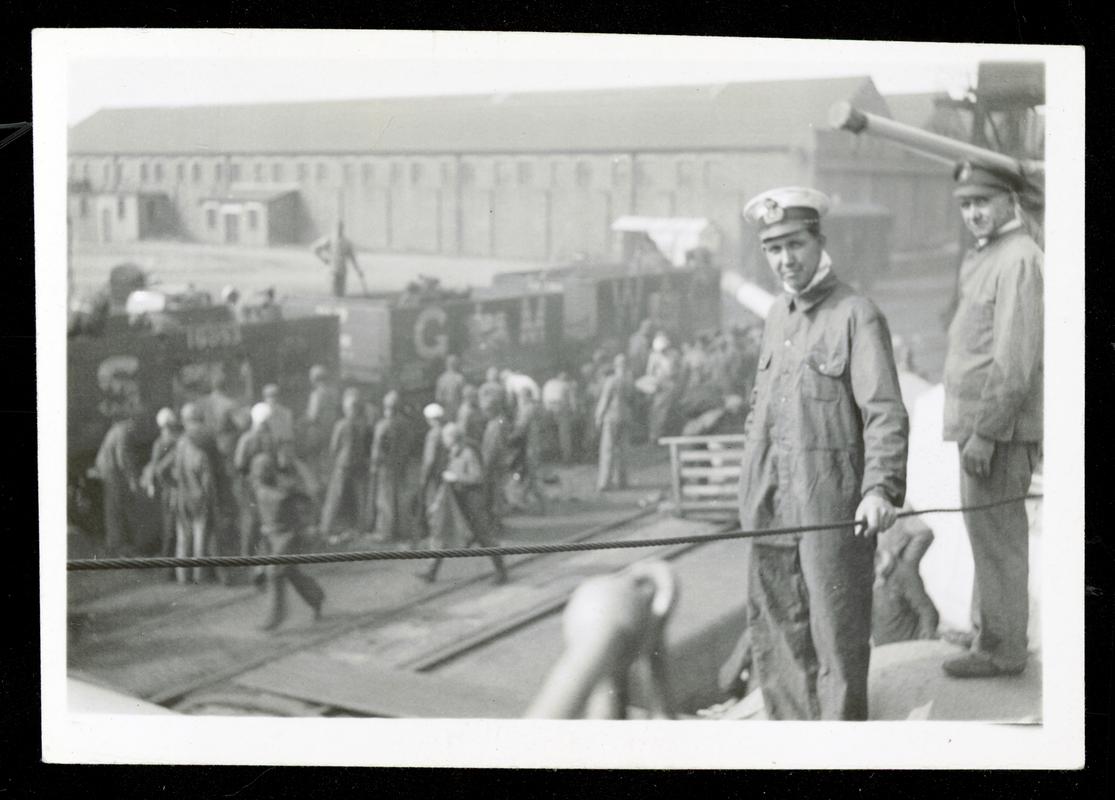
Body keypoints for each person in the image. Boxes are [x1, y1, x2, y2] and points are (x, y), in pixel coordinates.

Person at [737, 186, 908, 720]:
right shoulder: (775, 317)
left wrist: (880, 488)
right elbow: (760, 412)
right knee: (776, 622)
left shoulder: (857, 315)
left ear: (819, 242)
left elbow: (885, 412)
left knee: (836, 628)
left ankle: (839, 745)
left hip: (828, 501)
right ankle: (792, 740)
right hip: (769, 501)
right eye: (773, 249)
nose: (785, 260)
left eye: (795, 244)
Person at [940, 161, 1043, 680]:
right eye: (966, 204)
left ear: (1011, 201)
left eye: (983, 201)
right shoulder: (988, 256)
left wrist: (985, 432)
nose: (974, 213)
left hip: (997, 434)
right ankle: (990, 638)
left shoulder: (1019, 258)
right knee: (987, 537)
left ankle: (1002, 651)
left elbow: (1014, 358)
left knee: (999, 540)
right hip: (980, 431)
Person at [421, 423, 509, 585]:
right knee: (445, 534)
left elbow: (478, 477)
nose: (443, 441)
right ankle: (431, 572)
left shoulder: (467, 453)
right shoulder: (453, 453)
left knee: (484, 537)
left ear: (452, 438)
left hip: (472, 502)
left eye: (445, 438)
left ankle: (501, 571)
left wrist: (456, 477)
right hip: (458, 501)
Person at [251, 452, 326, 632]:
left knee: (275, 574)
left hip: (288, 537)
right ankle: (316, 598)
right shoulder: (260, 487)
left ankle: (275, 617)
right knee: (292, 573)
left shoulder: (284, 490)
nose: (259, 475)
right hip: (272, 537)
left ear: (270, 471)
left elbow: (304, 501)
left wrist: (306, 527)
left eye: (262, 471)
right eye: (257, 471)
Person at [173, 403, 230, 585]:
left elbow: (170, 468)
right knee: (201, 534)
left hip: (182, 494)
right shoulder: (206, 436)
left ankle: (182, 575)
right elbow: (215, 468)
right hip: (201, 494)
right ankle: (199, 575)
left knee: (183, 536)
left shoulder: (181, 441)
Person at [872, 518, 939, 646]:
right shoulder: (863, 577)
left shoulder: (902, 572)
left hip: (908, 647)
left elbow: (928, 611)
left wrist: (925, 640)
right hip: (882, 650)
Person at [233, 402, 279, 582]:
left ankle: (249, 561)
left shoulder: (246, 439)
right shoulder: (272, 439)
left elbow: (239, 464)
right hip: (268, 487)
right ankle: (266, 562)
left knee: (249, 523)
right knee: (266, 523)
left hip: (249, 487)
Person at [319, 388, 372, 545]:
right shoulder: (364, 425)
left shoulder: (340, 425)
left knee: (335, 496)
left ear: (346, 408)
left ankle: (326, 527)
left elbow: (334, 447)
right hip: (359, 462)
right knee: (360, 496)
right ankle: (362, 527)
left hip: (343, 463)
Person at [92, 413, 143, 556]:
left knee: (114, 507)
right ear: (131, 421)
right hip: (111, 472)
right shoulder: (124, 432)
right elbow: (122, 458)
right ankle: (116, 546)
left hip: (107, 470)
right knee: (116, 507)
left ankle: (115, 544)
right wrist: (132, 480)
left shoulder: (118, 429)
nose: (136, 429)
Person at [368, 390, 409, 543]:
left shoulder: (382, 425)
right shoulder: (405, 423)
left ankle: (385, 532)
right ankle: (402, 530)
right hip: (400, 464)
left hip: (385, 466)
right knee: (400, 497)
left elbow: (377, 448)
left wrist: (374, 466)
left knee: (384, 499)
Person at [141, 407, 182, 564]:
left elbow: (156, 468)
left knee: (169, 526)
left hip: (168, 488)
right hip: (175, 488)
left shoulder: (160, 443)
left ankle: (168, 562)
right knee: (175, 526)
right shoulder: (176, 441)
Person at [595, 354, 635, 491]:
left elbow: (605, 400)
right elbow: (631, 398)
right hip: (626, 416)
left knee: (607, 449)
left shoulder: (611, 380)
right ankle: (622, 481)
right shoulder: (629, 379)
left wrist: (598, 416)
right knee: (624, 450)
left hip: (611, 417)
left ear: (615, 365)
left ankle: (604, 482)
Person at [304, 364, 341, 487]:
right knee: (328, 460)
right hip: (331, 430)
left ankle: (316, 488)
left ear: (314, 379)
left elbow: (313, 416)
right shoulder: (334, 393)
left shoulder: (316, 394)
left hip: (317, 431)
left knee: (314, 461)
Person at [480, 396, 511, 536]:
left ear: (490, 410)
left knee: (495, 495)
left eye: (485, 411)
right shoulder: (499, 421)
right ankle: (497, 523)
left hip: (494, 465)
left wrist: (486, 467)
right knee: (496, 494)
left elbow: (493, 449)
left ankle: (496, 525)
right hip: (499, 463)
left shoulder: (496, 425)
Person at [417, 403, 448, 544]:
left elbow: (429, 459)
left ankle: (434, 537)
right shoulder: (445, 431)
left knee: (432, 505)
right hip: (443, 473)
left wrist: (423, 477)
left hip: (433, 476)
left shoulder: (432, 435)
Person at [312, 220, 365, 298]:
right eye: (337, 227)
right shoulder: (329, 239)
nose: (338, 229)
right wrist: (324, 259)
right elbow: (315, 248)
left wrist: (358, 270)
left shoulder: (347, 242)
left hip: (342, 271)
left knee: (341, 295)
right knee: (333, 294)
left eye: (340, 227)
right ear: (334, 228)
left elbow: (352, 258)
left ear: (343, 229)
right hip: (332, 271)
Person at [645, 333, 678, 443]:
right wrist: (652, 386)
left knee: (668, 411)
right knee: (656, 411)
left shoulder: (673, 354)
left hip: (670, 384)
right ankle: (654, 435)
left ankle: (665, 435)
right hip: (659, 386)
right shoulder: (653, 357)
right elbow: (650, 373)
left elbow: (677, 369)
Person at [542, 370, 578, 464]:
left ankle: (552, 456)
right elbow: (572, 400)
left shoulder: (549, 383)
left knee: (551, 434)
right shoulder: (566, 385)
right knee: (564, 435)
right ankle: (566, 459)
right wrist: (574, 412)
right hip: (561, 408)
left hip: (549, 409)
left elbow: (544, 397)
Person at [434, 354, 467, 422]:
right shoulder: (460, 378)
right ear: (456, 364)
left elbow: (438, 398)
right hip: (458, 408)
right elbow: (465, 396)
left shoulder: (441, 379)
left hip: (446, 409)